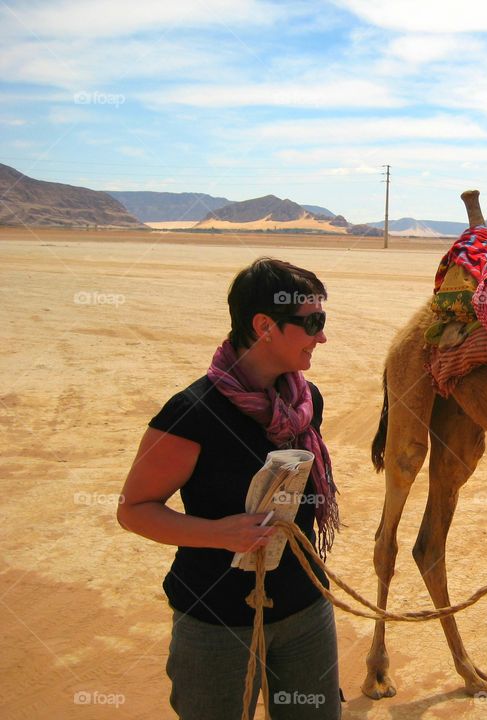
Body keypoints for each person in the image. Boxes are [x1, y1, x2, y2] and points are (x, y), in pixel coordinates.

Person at [117, 257, 341, 720]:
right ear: (264, 326)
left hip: (306, 608)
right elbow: (134, 509)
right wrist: (220, 534)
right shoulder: (192, 414)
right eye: (312, 323)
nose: (322, 337)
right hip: (216, 622)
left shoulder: (305, 401)